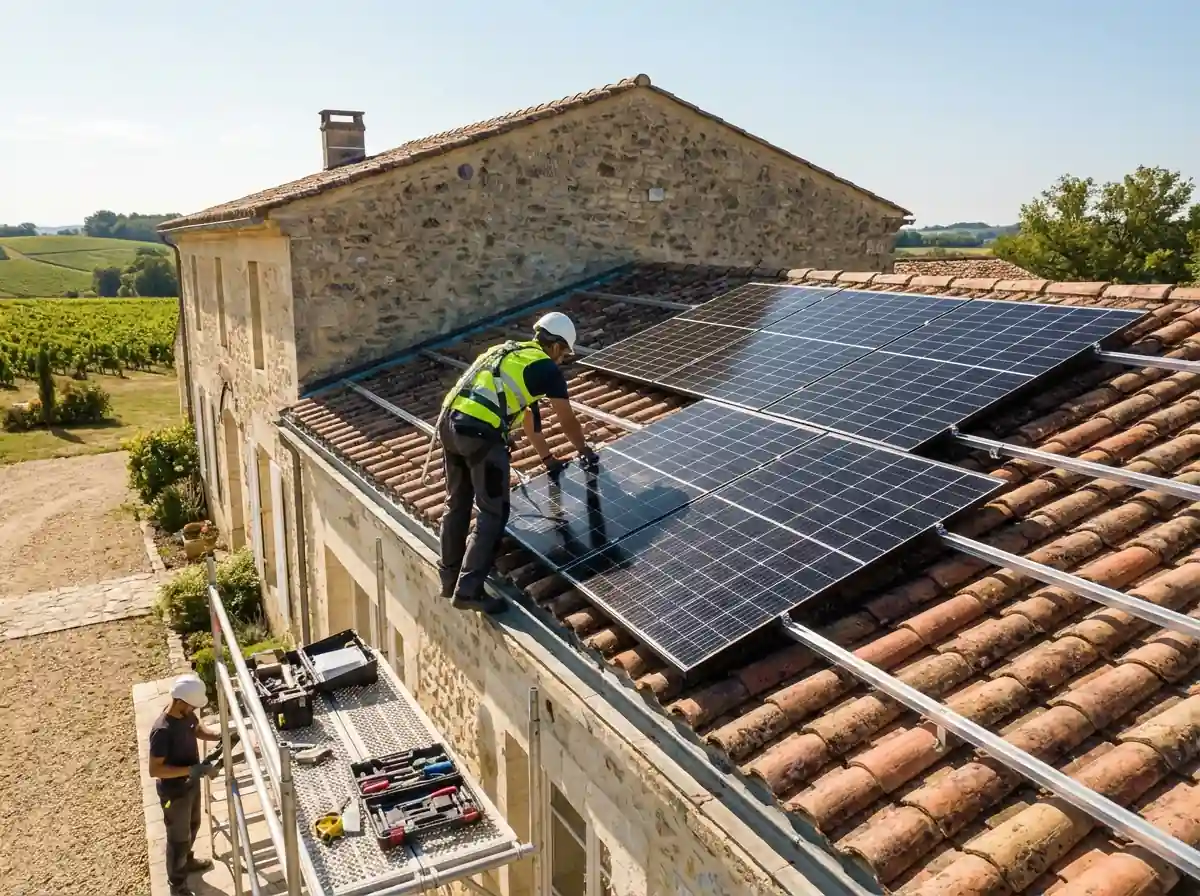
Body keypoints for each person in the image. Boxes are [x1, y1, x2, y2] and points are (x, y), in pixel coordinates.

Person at [436, 311, 599, 612]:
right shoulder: (546, 368)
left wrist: (547, 459)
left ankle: (448, 579)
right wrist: (584, 450)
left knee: (457, 503)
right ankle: (468, 591)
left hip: (449, 425)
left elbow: (528, 421)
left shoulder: (509, 353)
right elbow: (566, 419)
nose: (562, 360)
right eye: (564, 354)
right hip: (479, 433)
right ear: (556, 346)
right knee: (494, 511)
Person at [148, 673, 222, 896]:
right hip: (174, 793)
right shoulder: (162, 731)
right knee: (177, 839)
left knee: (193, 826)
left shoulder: (186, 713)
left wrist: (219, 736)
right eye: (192, 706)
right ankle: (177, 885)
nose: (194, 710)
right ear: (180, 701)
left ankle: (186, 862)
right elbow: (155, 770)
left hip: (190, 783)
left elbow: (196, 729)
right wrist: (190, 770)